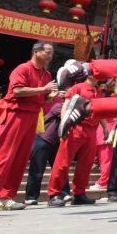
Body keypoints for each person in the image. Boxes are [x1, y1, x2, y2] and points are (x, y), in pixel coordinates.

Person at [0, 42, 59, 213]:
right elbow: (17, 91)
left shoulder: (47, 74)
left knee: (20, 159)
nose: (51, 56)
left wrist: (50, 96)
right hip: (16, 114)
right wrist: (43, 89)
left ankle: (6, 197)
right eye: (48, 52)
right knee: (3, 155)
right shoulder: (23, 69)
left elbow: (40, 98)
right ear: (36, 52)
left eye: (52, 53)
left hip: (32, 117)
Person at [47, 75, 108, 207]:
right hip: (75, 128)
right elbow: (67, 106)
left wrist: (105, 127)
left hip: (91, 131)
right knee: (63, 162)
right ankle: (54, 194)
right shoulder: (78, 87)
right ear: (90, 74)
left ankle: (79, 194)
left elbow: (99, 111)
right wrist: (65, 124)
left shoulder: (98, 91)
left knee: (86, 165)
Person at [24, 100, 67, 205]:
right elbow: (67, 118)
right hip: (43, 139)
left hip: (56, 142)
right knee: (37, 170)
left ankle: (65, 194)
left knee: (60, 169)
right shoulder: (59, 106)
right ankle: (30, 196)